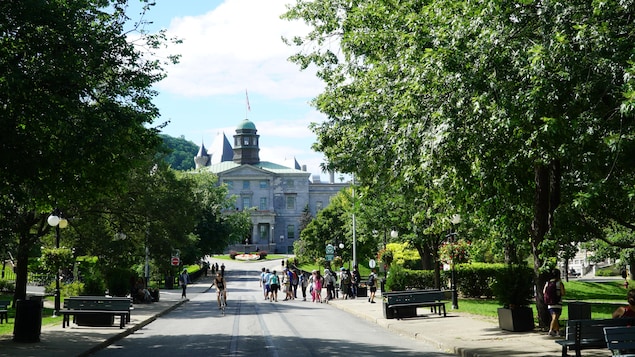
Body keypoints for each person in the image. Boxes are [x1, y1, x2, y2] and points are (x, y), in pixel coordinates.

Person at [543, 269, 565, 336]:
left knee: (555, 318)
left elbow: (544, 292)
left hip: (550, 303)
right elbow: (563, 293)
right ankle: (551, 330)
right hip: (558, 302)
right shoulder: (559, 283)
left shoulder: (548, 283)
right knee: (555, 317)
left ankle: (557, 332)